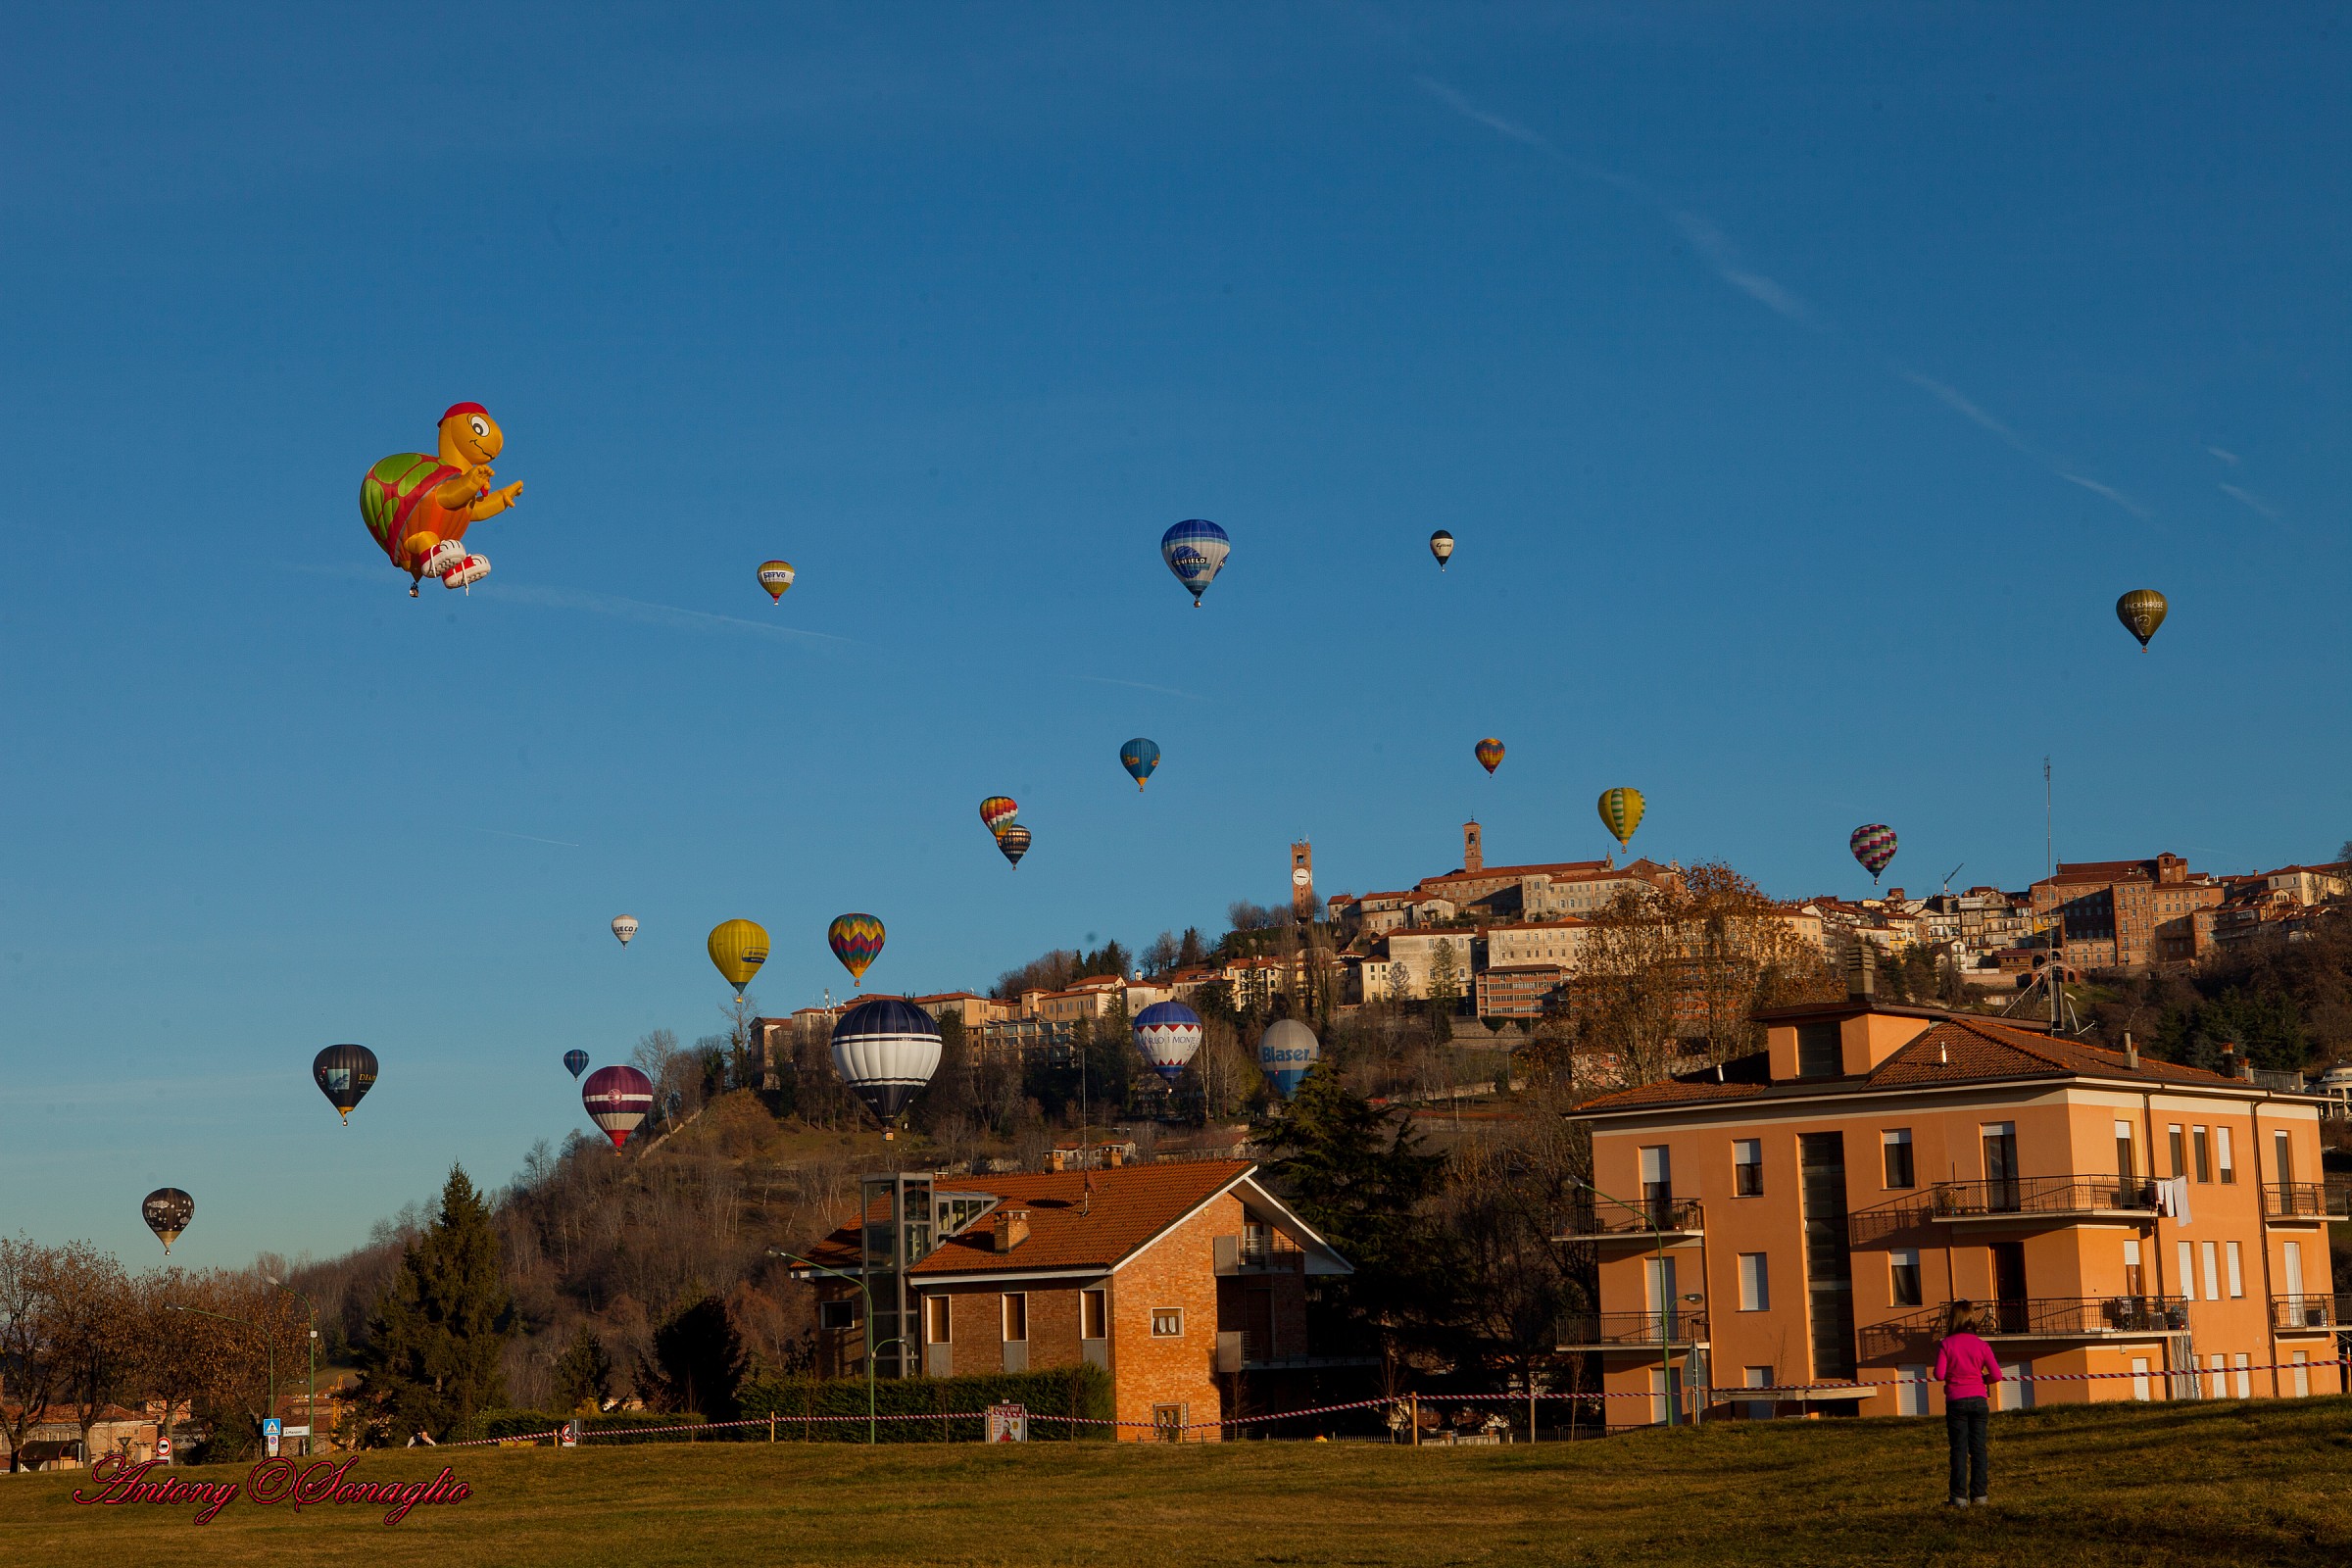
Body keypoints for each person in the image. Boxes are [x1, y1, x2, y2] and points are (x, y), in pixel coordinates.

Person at [1935, 1300, 2003, 1505]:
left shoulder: (1947, 1344)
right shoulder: (1982, 1345)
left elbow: (1939, 1374)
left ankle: (1958, 1497)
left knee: (1958, 1449)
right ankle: (1980, 1496)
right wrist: (1983, 1380)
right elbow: (1997, 1375)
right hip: (1979, 1400)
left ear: (1952, 1320)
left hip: (1956, 1400)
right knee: (1979, 1448)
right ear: (1972, 1319)